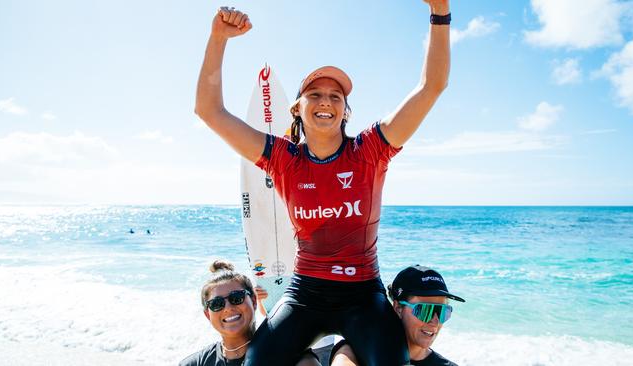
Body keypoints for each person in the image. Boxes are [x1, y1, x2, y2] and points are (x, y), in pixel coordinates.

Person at [195, 1, 451, 364]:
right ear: (297, 108)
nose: (325, 101)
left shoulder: (371, 150)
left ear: (346, 110)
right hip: (306, 293)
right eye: (314, 94)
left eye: (336, 96)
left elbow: (432, 87)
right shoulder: (283, 158)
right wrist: (218, 37)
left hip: (363, 295)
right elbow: (210, 111)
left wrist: (439, 11)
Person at [179, 260, 320, 366]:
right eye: (217, 304)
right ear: (208, 315)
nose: (227, 307)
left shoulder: (291, 355)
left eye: (236, 298)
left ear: (253, 301)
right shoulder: (195, 363)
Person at [331, 265, 465, 365]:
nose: (435, 322)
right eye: (426, 311)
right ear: (398, 308)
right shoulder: (357, 352)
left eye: (442, 312)